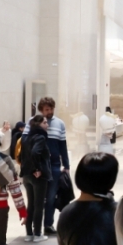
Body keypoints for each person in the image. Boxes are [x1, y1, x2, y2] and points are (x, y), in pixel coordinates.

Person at [39, 97, 70, 237]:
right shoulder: (34, 122)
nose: (50, 111)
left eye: (51, 109)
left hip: (55, 165)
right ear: (41, 110)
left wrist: (66, 165)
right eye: (47, 109)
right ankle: (35, 226)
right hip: (39, 166)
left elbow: (63, 146)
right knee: (38, 197)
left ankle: (48, 225)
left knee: (51, 197)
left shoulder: (60, 124)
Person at [18, 115, 52, 242]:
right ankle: (37, 234)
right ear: (38, 124)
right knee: (39, 205)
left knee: (31, 204)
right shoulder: (40, 137)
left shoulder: (25, 137)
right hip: (38, 176)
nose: (47, 125)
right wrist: (37, 169)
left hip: (27, 175)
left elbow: (21, 156)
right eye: (44, 122)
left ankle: (29, 233)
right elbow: (35, 153)